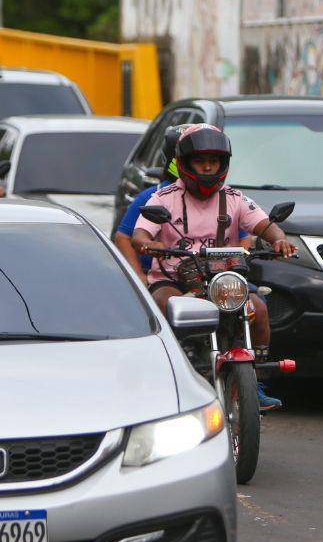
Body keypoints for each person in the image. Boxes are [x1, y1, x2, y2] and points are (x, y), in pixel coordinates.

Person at [131, 124, 296, 410]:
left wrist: (279, 240)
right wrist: (149, 243)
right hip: (173, 278)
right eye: (200, 161)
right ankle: (166, 379)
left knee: (259, 308)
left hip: (224, 279)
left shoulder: (235, 199)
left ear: (223, 163)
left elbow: (266, 226)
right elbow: (139, 235)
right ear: (184, 163)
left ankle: (254, 381)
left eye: (213, 161)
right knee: (166, 306)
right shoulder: (162, 198)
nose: (208, 168)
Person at [115, 124, 188, 282]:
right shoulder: (153, 197)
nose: (206, 167)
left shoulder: (228, 197)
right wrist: (140, 276)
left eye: (212, 160)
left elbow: (245, 235)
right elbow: (123, 237)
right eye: (193, 160)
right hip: (164, 278)